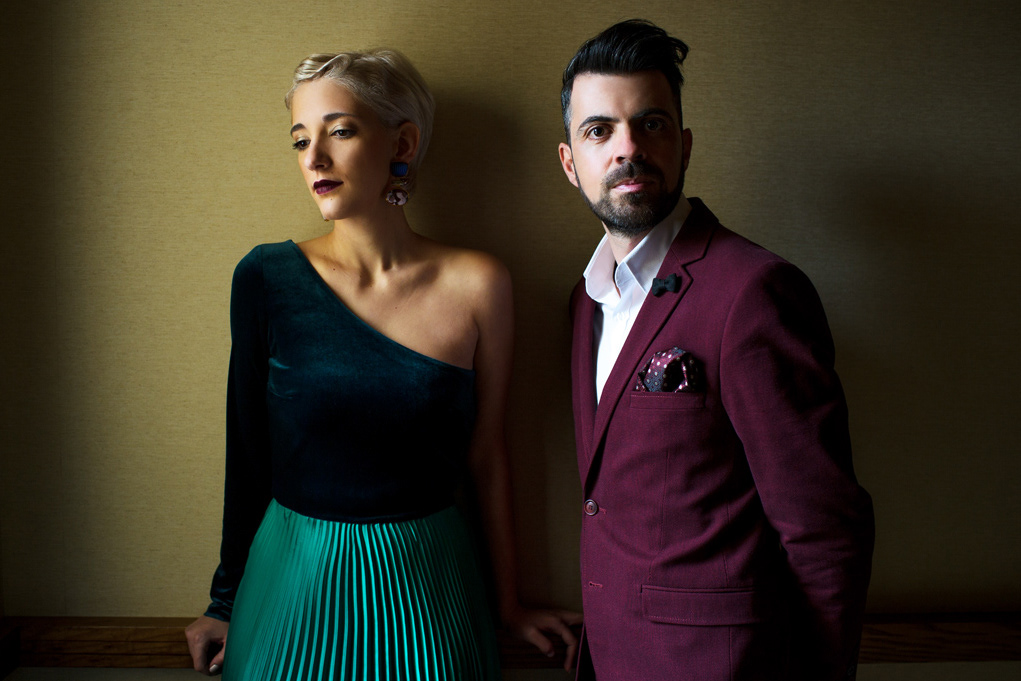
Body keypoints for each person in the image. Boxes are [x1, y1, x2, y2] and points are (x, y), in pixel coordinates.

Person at [185, 48, 580, 679]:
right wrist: (224, 602)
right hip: (290, 585)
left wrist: (508, 604)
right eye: (300, 140)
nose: (314, 158)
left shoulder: (479, 284)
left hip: (429, 587)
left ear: (403, 142)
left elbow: (487, 456)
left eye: (339, 132)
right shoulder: (265, 278)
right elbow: (248, 451)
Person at [557, 20, 875, 681]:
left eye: (650, 124)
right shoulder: (584, 302)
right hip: (610, 657)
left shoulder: (754, 291)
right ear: (570, 163)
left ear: (684, 145)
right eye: (599, 131)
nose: (627, 148)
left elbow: (824, 529)